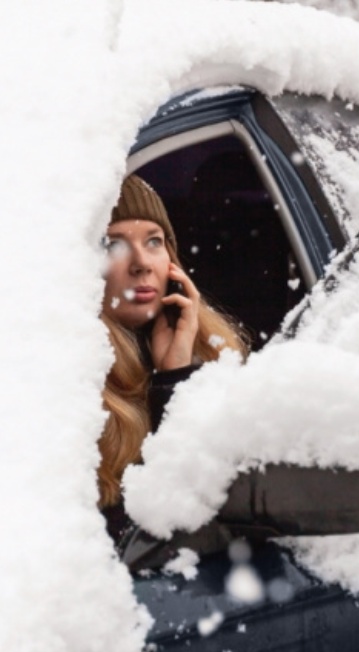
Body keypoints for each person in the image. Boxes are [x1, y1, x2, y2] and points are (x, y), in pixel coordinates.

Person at [97, 174, 247, 545]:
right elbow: (142, 544)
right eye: (113, 245)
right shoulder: (74, 386)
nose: (142, 263)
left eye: (154, 241)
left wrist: (176, 375)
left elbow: (218, 509)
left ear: (173, 263)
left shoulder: (215, 356)